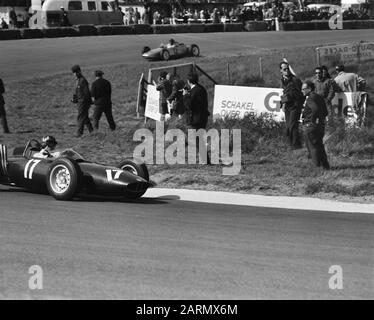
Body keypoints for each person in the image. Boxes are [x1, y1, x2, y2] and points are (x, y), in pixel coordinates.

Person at [301, 81, 330, 170]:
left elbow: (315, 109)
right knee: (319, 146)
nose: (302, 91)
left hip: (311, 126)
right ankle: (325, 166)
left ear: (309, 89)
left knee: (312, 147)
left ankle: (317, 167)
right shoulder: (319, 97)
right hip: (320, 125)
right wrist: (319, 120)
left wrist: (311, 120)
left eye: (303, 89)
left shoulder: (310, 98)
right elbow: (325, 112)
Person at [183, 72, 211, 164]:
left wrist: (185, 95)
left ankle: (205, 160)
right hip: (203, 116)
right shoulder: (201, 88)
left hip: (196, 118)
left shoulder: (194, 91)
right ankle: (204, 159)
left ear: (189, 81)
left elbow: (189, 105)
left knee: (197, 139)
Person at [279, 61, 304, 149]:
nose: (287, 70)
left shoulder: (295, 80)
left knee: (293, 125)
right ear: (281, 70)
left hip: (295, 105)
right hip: (287, 106)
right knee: (288, 126)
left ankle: (296, 145)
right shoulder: (282, 80)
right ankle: (292, 144)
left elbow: (302, 93)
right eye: (284, 69)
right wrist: (282, 103)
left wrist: (299, 104)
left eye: (287, 68)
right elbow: (284, 93)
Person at [71, 65, 93, 138]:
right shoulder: (78, 80)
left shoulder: (83, 80)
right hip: (80, 102)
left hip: (83, 102)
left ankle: (79, 133)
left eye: (75, 72)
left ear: (79, 72)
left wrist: (88, 102)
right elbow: (77, 92)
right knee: (85, 118)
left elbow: (87, 93)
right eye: (73, 73)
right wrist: (75, 99)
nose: (74, 74)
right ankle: (92, 132)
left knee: (80, 117)